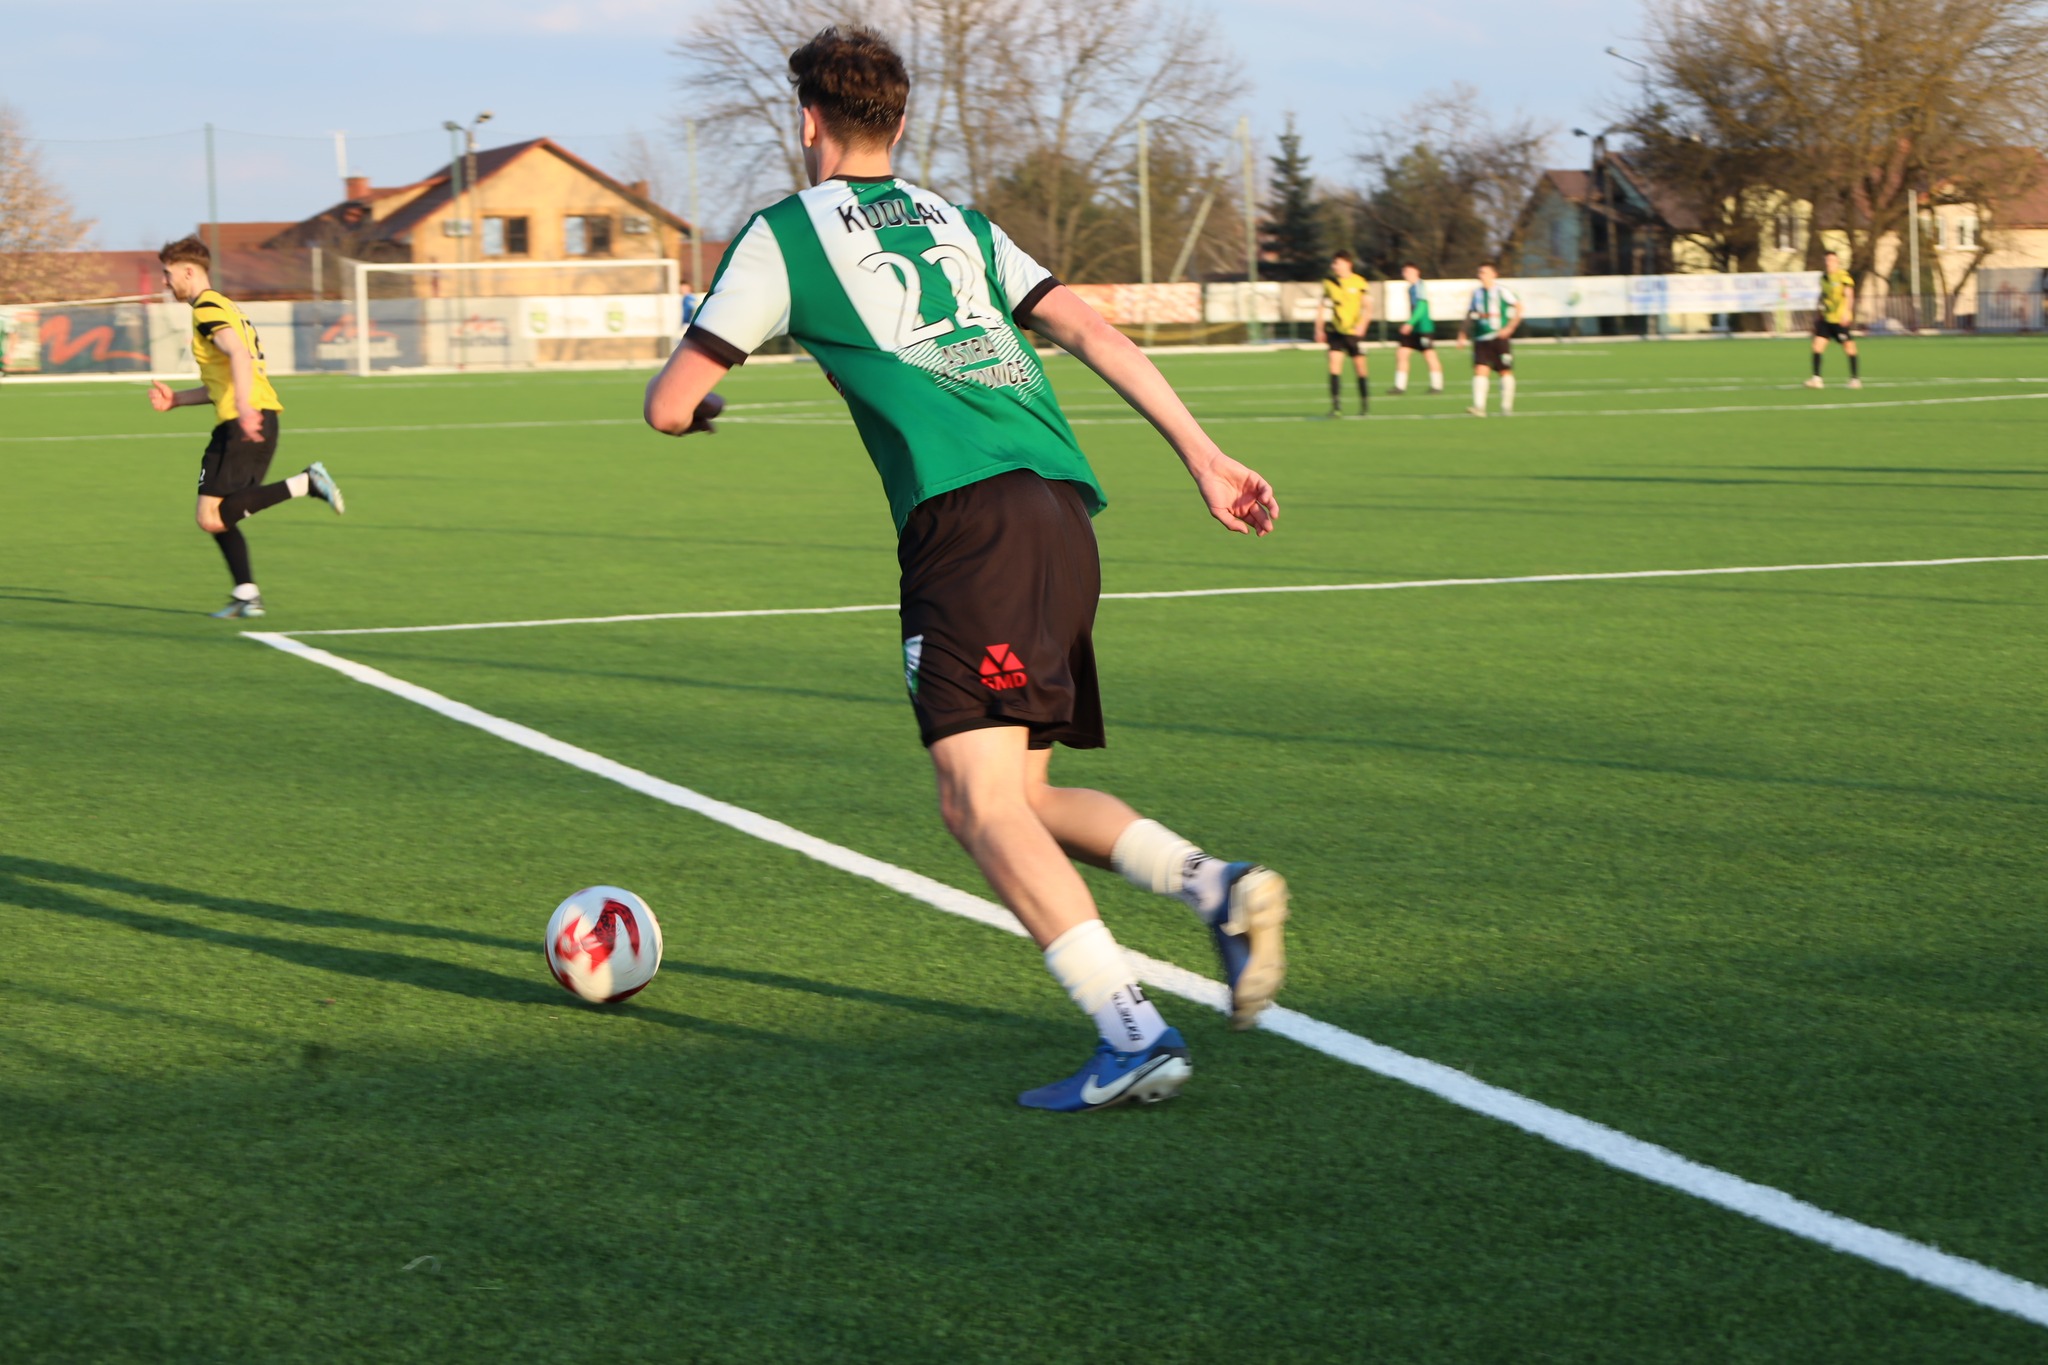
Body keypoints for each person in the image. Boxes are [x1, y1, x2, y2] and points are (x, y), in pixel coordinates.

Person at [643, 25, 1290, 1114]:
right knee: (1024, 794)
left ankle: (1131, 1033)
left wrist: (698, 410)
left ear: (807, 120)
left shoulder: (784, 235)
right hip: (1060, 511)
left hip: (968, 526)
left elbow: (668, 403)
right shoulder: (960, 222)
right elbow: (1092, 332)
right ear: (899, 121)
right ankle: (1214, 887)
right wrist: (1205, 456)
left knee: (973, 802)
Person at [150, 237, 343, 618]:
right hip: (256, 417)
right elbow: (223, 380)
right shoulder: (223, 306)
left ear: (188, 272)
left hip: (244, 420)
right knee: (219, 514)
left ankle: (307, 483)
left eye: (167, 274)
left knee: (211, 516)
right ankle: (246, 594)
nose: (164, 282)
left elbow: (238, 353)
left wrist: (242, 407)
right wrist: (177, 400)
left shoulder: (206, 309)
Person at [1313, 251, 1372, 415]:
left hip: (1353, 332)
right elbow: (1321, 307)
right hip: (1335, 331)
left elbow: (1368, 308)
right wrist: (1319, 329)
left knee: (1360, 369)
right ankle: (1336, 406)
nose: (1334, 266)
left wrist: (1363, 325)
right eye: (1333, 263)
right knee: (1334, 366)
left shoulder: (1359, 282)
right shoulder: (1329, 282)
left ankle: (1364, 406)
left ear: (1348, 264)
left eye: (1337, 263)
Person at [1462, 261, 1521, 417]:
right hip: (1481, 338)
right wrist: (1462, 333)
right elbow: (1470, 313)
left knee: (1504, 371)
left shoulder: (1502, 291)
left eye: (1485, 272)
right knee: (1480, 370)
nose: (1482, 276)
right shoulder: (1476, 293)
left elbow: (1519, 307)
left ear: (1494, 274)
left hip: (1499, 337)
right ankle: (1479, 407)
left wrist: (1510, 328)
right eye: (1480, 273)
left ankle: (1506, 407)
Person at [1806, 249, 1860, 389]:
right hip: (1826, 319)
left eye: (1832, 260)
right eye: (1827, 260)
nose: (1829, 263)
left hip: (1840, 319)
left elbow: (1849, 295)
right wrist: (1818, 314)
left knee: (1849, 347)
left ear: (1837, 262)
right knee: (1817, 346)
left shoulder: (1843, 276)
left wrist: (1847, 312)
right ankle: (1816, 379)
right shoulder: (1823, 278)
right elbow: (1823, 297)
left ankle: (1855, 379)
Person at [1391, 262, 1443, 396]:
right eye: (1404, 272)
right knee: (1402, 353)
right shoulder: (1411, 288)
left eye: (1408, 271)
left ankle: (1437, 385)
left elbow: (1422, 307)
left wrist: (1410, 323)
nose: (1405, 274)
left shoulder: (1420, 286)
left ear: (1417, 272)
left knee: (1429, 355)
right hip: (1413, 329)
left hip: (1423, 328)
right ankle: (1399, 386)